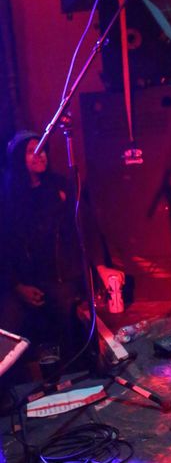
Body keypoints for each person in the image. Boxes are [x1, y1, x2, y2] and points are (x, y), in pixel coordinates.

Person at [0, 130, 123, 378]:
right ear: (18, 158)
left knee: (68, 322)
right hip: (25, 281)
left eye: (42, 149)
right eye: (31, 151)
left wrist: (100, 266)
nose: (40, 155)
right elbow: (6, 246)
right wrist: (17, 286)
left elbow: (86, 227)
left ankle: (77, 378)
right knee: (11, 330)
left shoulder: (60, 188)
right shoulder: (9, 197)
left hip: (61, 278)